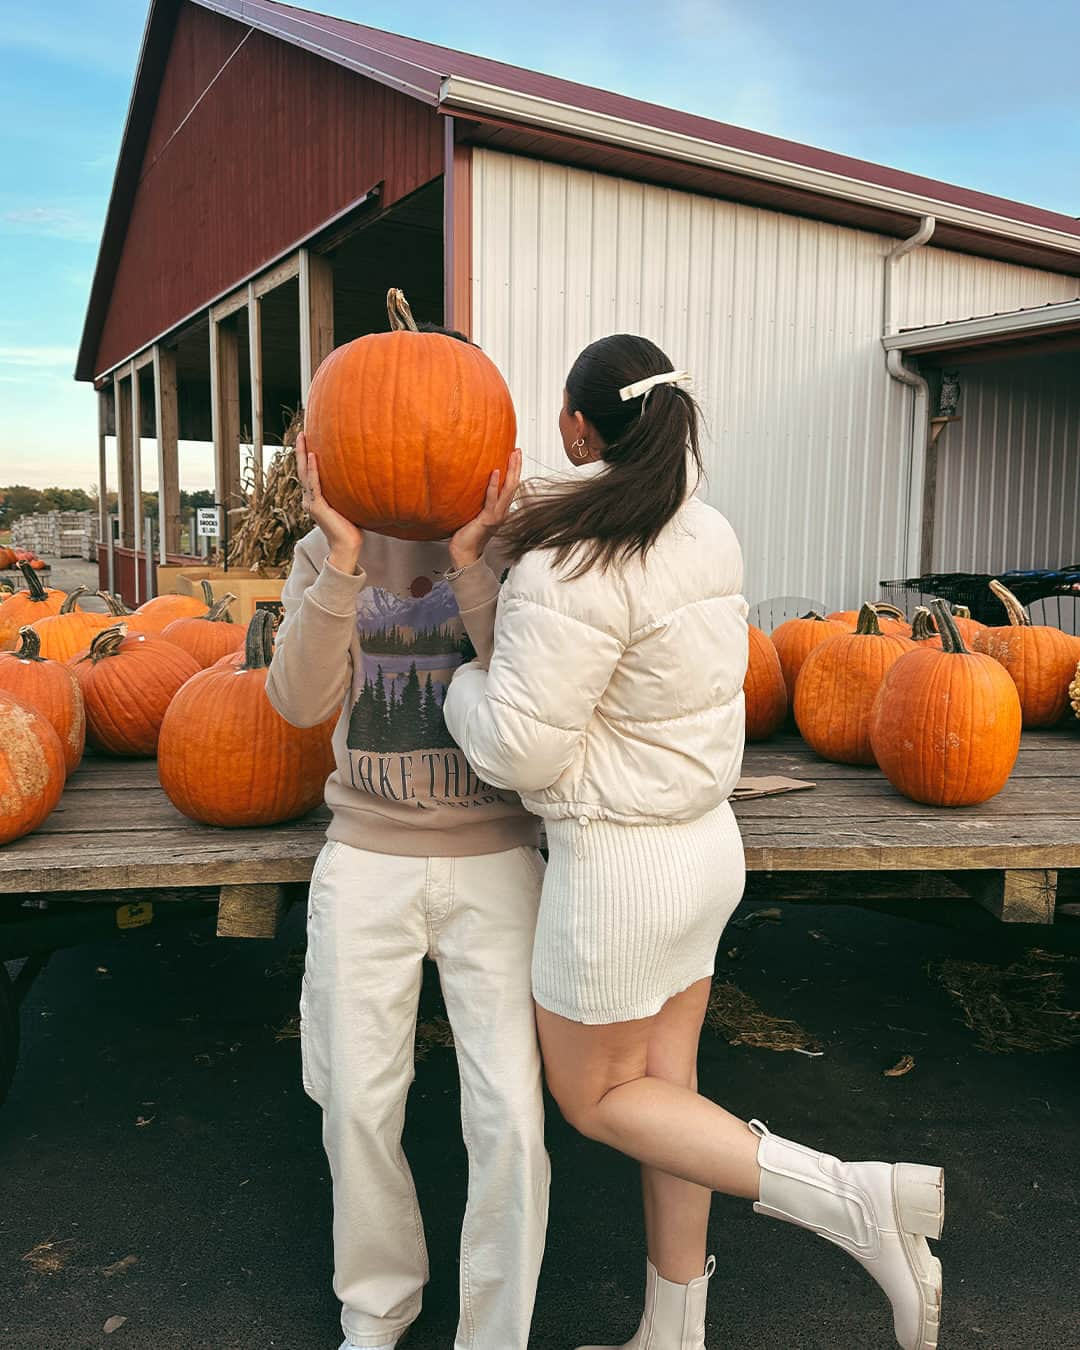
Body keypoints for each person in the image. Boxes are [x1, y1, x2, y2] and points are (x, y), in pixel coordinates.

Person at [442, 333, 945, 1350]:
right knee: (666, 1093)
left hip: (620, 871)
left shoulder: (570, 560)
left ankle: (853, 1201)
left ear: (577, 425)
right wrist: (480, 576)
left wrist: (455, 681)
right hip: (704, 849)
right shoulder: (703, 530)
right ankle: (673, 1332)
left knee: (596, 1099)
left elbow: (520, 750)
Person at [265, 323, 549, 1350]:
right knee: (356, 1102)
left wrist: (476, 560)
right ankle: (376, 1312)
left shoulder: (518, 554)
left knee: (510, 1117)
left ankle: (494, 1333)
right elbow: (298, 706)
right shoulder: (320, 552)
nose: (415, 433)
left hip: (495, 857)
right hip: (369, 856)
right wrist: (340, 560)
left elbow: (526, 692)